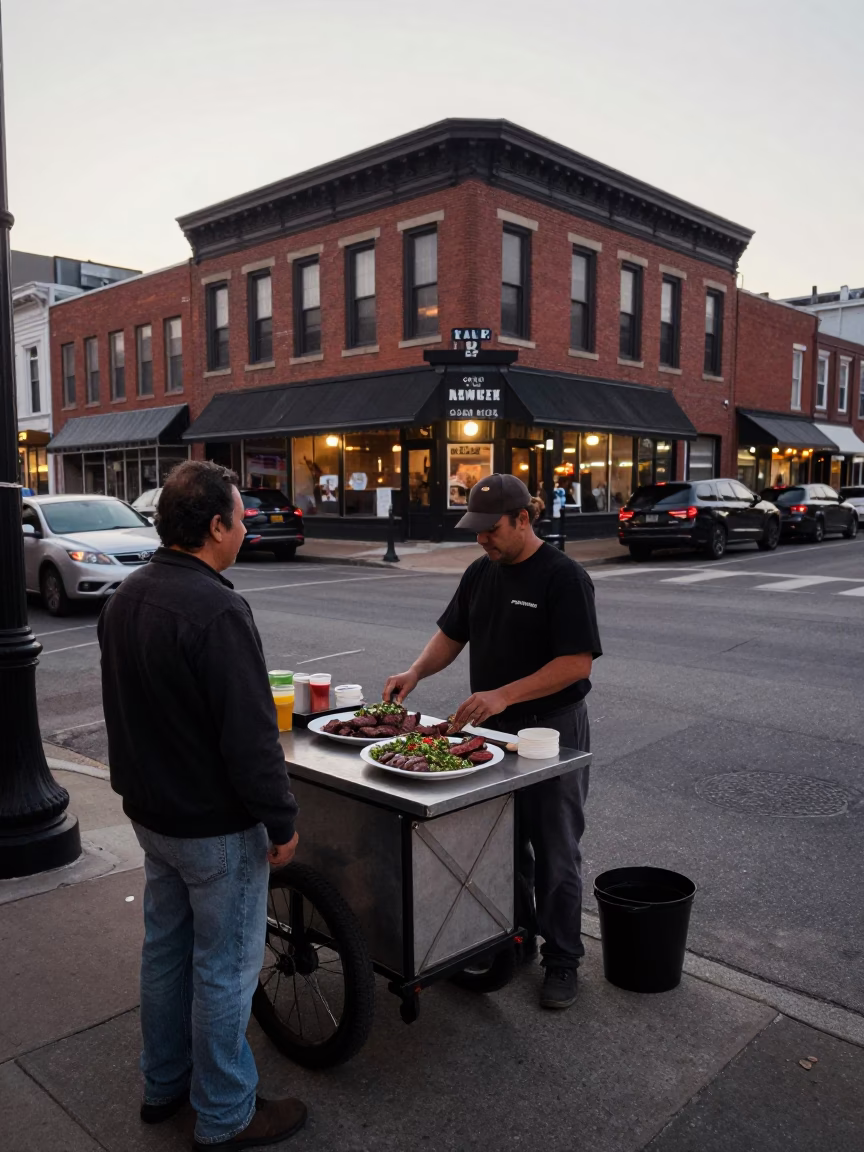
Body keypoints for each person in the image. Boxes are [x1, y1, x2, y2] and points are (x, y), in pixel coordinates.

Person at [98, 460, 306, 1149]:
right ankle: (225, 1113)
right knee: (224, 968)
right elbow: (249, 737)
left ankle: (162, 1085)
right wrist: (281, 819)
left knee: (166, 952)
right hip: (213, 827)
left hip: (153, 816)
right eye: (241, 518)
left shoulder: (128, 596)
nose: (246, 528)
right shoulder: (217, 607)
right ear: (215, 527)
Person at [383, 474, 601, 1010]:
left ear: (524, 519)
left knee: (555, 847)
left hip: (549, 730)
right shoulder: (482, 572)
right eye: (476, 531)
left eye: (491, 529)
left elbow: (575, 662)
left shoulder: (563, 576)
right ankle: (517, 937)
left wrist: (504, 694)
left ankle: (563, 958)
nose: (482, 540)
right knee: (504, 840)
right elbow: (452, 635)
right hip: (494, 730)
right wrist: (415, 674)